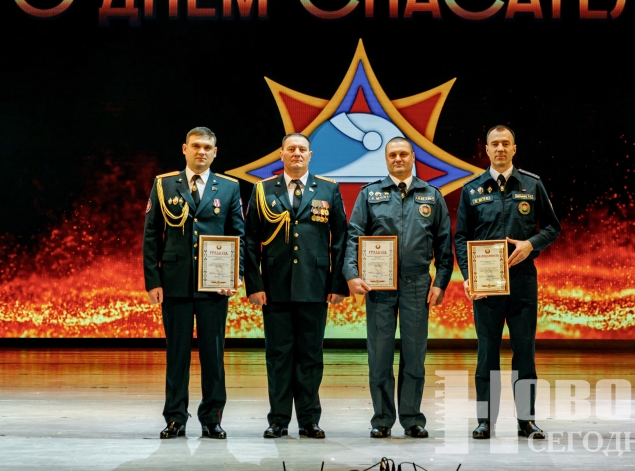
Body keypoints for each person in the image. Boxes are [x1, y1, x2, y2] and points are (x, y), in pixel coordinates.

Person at [344, 136, 454, 439]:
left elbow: (444, 244)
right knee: (379, 355)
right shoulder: (370, 194)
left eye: (403, 154)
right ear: (385, 158)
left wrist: (440, 283)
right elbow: (354, 236)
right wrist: (351, 274)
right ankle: (381, 419)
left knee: (414, 355)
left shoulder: (431, 195)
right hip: (378, 286)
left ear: (413, 157)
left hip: (417, 284)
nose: (398, 159)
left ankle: (412, 419)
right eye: (392, 155)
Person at [454, 125, 560, 440]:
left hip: (523, 281)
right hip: (486, 285)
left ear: (514, 148)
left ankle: (526, 421)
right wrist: (469, 276)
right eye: (494, 144)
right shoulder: (472, 189)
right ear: (486, 149)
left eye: (505, 143)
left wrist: (531, 244)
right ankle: (485, 421)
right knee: (487, 353)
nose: (500, 148)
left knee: (524, 352)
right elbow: (461, 237)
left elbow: (552, 227)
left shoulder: (532, 184)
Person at [242, 133, 349, 439]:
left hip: (315, 286)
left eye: (302, 149)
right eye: (291, 149)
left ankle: (309, 420)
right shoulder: (263, 189)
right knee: (278, 356)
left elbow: (340, 239)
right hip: (274, 287)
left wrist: (337, 283)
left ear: (310, 155)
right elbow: (250, 240)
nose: (297, 153)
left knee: (310, 356)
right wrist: (254, 284)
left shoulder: (328, 189)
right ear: (281, 154)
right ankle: (278, 420)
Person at [142, 127, 244, 440]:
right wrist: (153, 280)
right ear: (184, 149)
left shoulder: (228, 187)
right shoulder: (164, 184)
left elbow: (237, 235)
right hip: (175, 283)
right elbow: (151, 235)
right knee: (177, 354)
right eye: (196, 146)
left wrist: (236, 275)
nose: (202, 151)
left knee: (213, 355)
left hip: (215, 285)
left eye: (207, 147)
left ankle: (212, 419)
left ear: (215, 152)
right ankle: (175, 418)